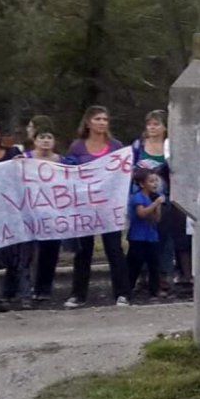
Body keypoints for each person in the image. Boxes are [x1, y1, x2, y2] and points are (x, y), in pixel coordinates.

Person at [64, 106, 131, 308]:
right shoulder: (77, 147)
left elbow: (122, 172)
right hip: (85, 207)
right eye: (97, 119)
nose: (102, 122)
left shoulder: (116, 146)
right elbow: (69, 171)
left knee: (114, 249)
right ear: (88, 122)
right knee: (83, 251)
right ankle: (78, 294)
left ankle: (122, 293)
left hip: (109, 206)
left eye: (105, 119)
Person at [0, 116, 31, 311]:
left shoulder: (12, 153)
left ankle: (18, 294)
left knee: (17, 255)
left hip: (11, 212)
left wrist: (22, 165)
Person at [131, 110, 172, 296]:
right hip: (140, 197)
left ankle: (161, 277)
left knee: (162, 238)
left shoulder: (170, 146)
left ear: (165, 127)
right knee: (140, 237)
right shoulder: (138, 146)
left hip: (164, 197)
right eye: (150, 124)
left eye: (157, 124)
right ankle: (141, 276)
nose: (153, 127)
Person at [24, 117, 64, 301]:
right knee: (29, 252)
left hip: (53, 213)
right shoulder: (25, 159)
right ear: (35, 140)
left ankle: (44, 287)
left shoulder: (62, 161)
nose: (46, 140)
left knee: (51, 251)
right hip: (30, 212)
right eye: (42, 137)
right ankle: (26, 287)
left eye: (49, 137)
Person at [127, 169, 165, 302]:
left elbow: (157, 219)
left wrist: (157, 206)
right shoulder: (138, 197)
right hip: (138, 237)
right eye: (151, 181)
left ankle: (154, 290)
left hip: (151, 236)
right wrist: (155, 204)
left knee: (154, 265)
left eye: (156, 181)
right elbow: (141, 214)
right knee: (134, 264)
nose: (154, 184)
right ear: (142, 184)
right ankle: (127, 289)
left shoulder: (153, 197)